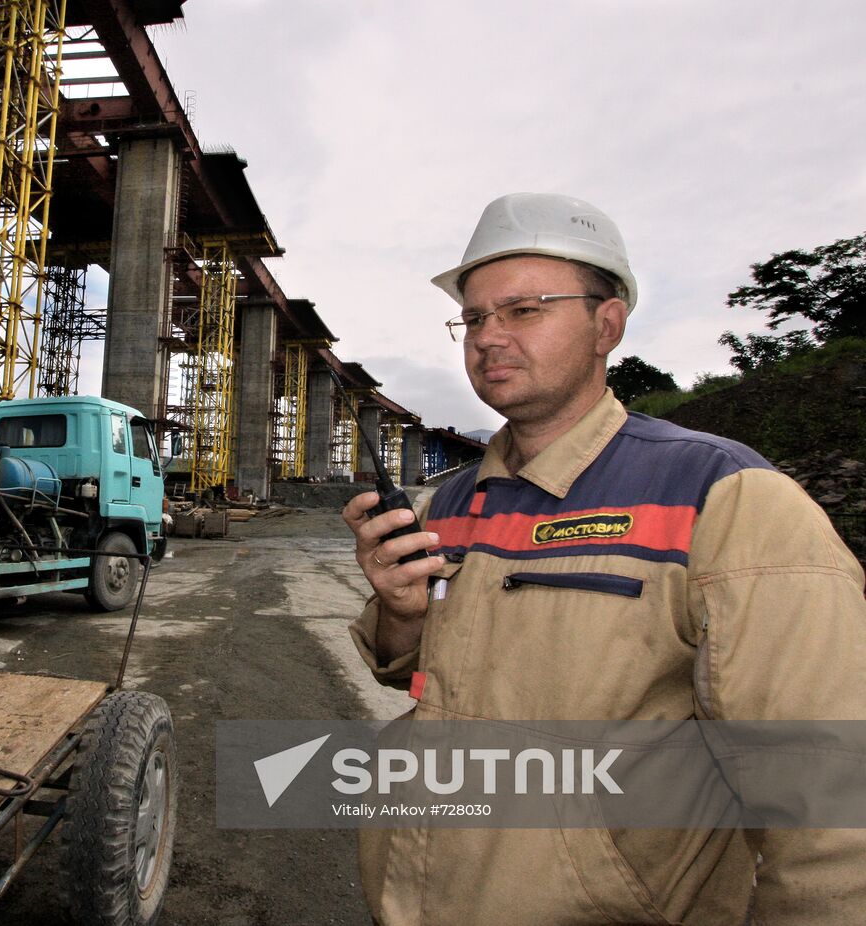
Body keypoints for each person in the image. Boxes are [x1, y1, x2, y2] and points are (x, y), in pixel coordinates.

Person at [342, 193, 866, 925]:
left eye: (524, 310)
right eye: (473, 318)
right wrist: (400, 614)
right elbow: (410, 671)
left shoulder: (726, 499)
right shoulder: (451, 502)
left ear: (607, 325)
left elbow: (829, 804)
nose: (488, 336)